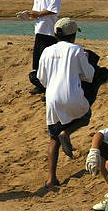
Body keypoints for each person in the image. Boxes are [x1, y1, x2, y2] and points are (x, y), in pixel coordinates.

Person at [36, 18, 95, 188]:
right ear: (73, 35)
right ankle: (67, 132)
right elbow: (89, 75)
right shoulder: (77, 50)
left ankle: (51, 178)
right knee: (86, 116)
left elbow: (41, 78)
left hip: (52, 96)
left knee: (53, 138)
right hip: (72, 94)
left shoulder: (47, 51)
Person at [24, 0, 61, 93]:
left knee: (48, 61)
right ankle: (40, 85)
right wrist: (31, 14)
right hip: (39, 29)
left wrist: (38, 14)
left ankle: (49, 88)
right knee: (38, 61)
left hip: (49, 31)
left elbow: (53, 9)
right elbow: (36, 9)